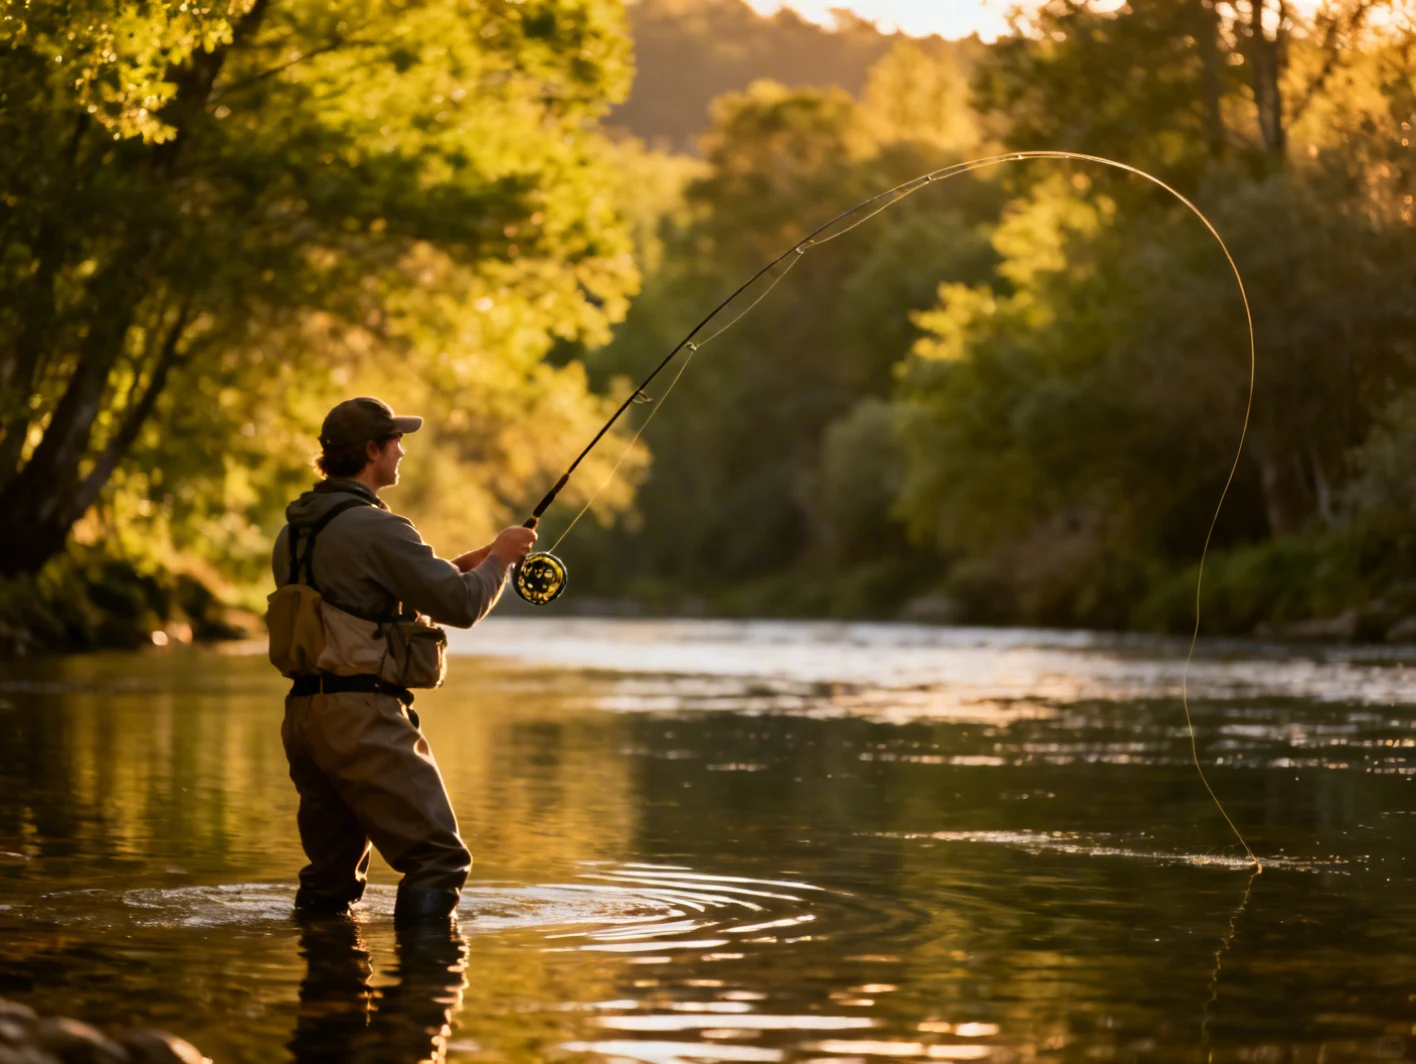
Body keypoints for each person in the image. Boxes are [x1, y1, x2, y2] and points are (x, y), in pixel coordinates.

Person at [272, 396, 536, 922]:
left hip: (305, 718)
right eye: (395, 441)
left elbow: (358, 601)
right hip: (361, 718)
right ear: (372, 450)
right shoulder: (376, 526)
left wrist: (472, 562)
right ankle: (428, 971)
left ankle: (325, 964)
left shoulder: (295, 531)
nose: (402, 451)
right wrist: (502, 558)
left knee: (331, 876)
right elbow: (461, 607)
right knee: (439, 860)